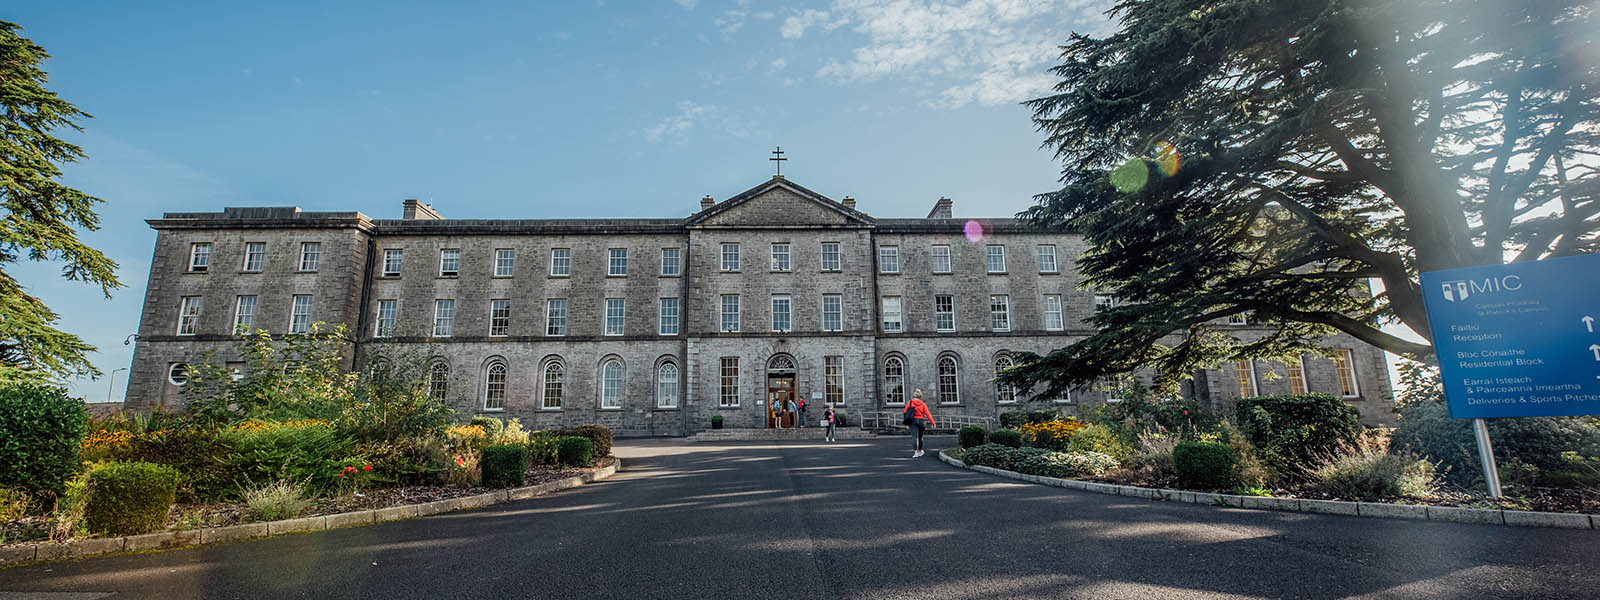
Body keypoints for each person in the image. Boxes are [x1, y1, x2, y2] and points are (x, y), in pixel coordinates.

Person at [903, 388, 936, 457]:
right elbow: (928, 414)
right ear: (920, 396)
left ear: (914, 396)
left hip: (912, 421)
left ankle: (916, 452)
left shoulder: (910, 402)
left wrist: (906, 423)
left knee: (914, 437)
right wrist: (933, 423)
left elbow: (905, 412)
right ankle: (920, 451)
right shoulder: (923, 404)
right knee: (920, 437)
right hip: (921, 421)